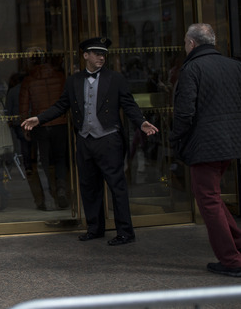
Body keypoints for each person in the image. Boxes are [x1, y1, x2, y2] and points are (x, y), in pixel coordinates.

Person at [21, 37, 159, 246]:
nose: (101, 57)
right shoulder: (73, 80)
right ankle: (95, 228)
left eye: (103, 54)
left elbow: (129, 105)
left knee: (117, 186)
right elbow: (61, 106)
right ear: (85, 55)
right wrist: (39, 118)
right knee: (88, 186)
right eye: (96, 53)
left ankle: (125, 232)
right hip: (85, 139)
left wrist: (141, 123)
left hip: (108, 139)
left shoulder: (116, 79)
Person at [170, 23, 241, 277]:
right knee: (214, 197)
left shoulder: (191, 69)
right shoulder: (235, 66)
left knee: (208, 201)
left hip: (204, 147)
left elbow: (185, 113)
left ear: (191, 43)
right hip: (230, 144)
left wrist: (175, 139)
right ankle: (238, 248)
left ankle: (231, 260)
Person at [19, 48, 70, 210]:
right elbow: (66, 100)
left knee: (46, 161)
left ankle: (53, 190)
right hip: (60, 122)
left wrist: (25, 126)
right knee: (61, 158)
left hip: (39, 124)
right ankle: (61, 186)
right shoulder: (60, 77)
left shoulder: (29, 80)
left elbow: (24, 106)